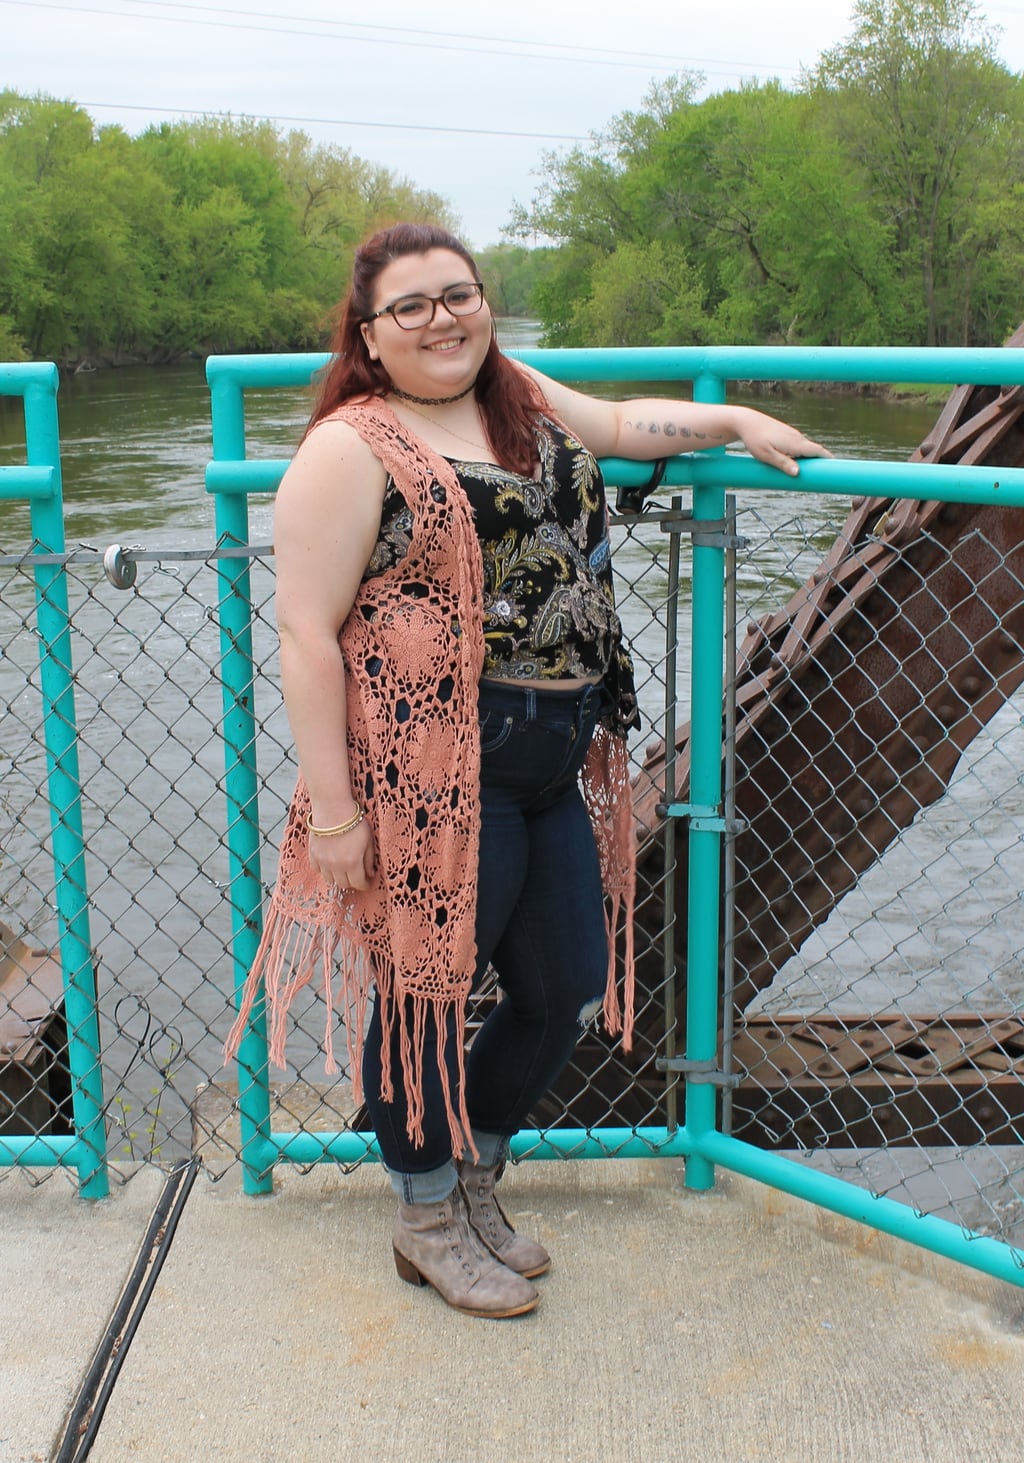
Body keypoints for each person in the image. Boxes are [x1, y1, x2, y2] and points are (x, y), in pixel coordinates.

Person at [226, 221, 829, 1321]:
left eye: (458, 294)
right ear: (367, 334)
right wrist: (335, 812)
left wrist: (733, 417)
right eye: (410, 306)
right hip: (432, 768)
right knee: (422, 991)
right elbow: (307, 635)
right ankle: (422, 1217)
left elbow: (623, 425)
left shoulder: (516, 393)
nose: (442, 318)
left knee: (562, 984)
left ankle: (472, 1174)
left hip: (557, 755)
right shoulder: (349, 446)